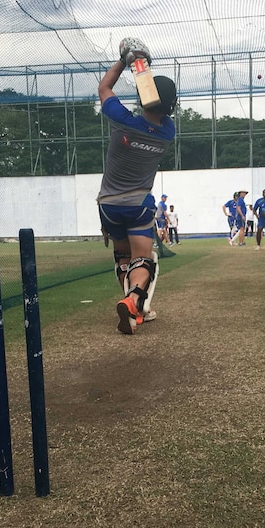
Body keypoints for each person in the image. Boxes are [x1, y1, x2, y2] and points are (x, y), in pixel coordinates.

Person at [97, 38, 177, 335]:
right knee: (143, 259)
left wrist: (127, 61)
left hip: (109, 205)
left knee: (123, 258)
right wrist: (141, 66)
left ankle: (133, 312)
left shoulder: (122, 121)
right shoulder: (168, 131)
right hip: (138, 204)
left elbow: (105, 89)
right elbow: (157, 107)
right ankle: (134, 302)